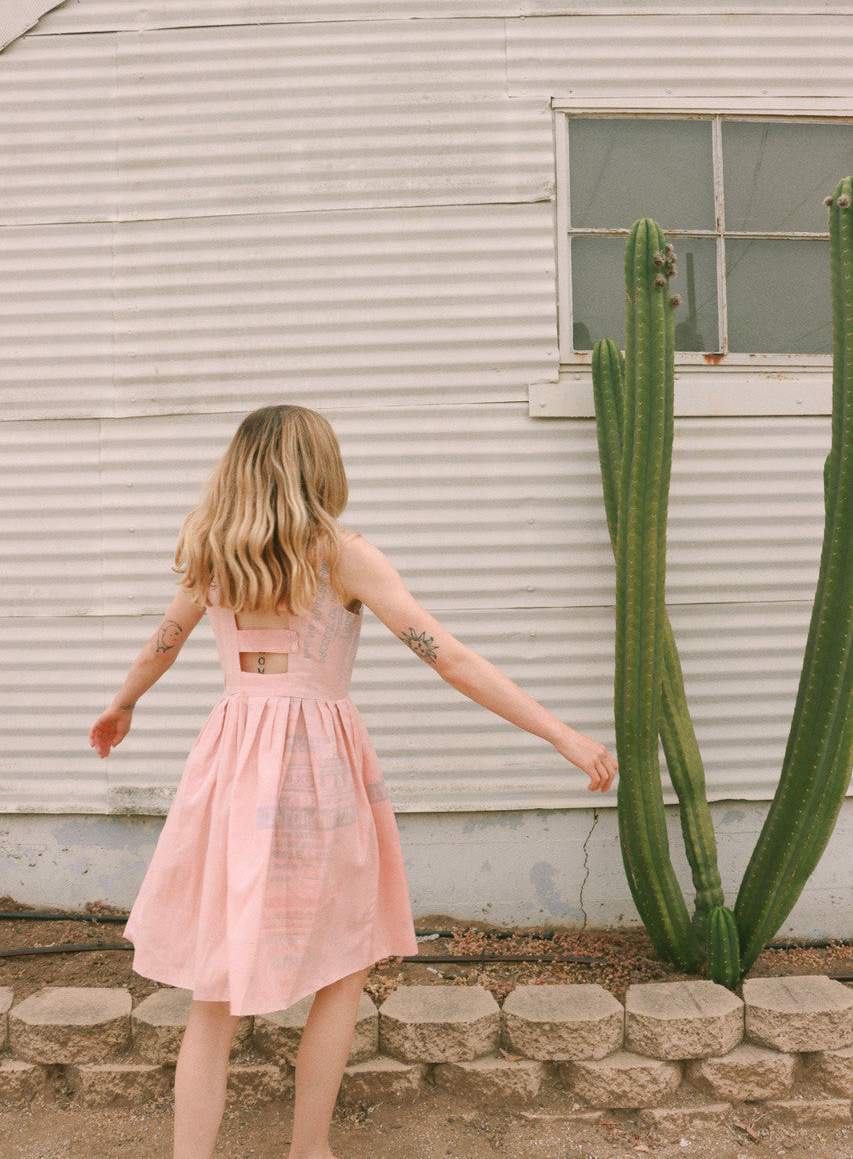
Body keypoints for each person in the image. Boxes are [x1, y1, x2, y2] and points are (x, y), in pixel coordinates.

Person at [88, 404, 618, 1159]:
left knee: (214, 987)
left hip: (232, 764)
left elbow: (162, 644)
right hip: (315, 770)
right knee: (341, 959)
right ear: (322, 466)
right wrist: (561, 733)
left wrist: (122, 705)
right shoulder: (343, 555)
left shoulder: (212, 552)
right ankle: (309, 1149)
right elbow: (451, 658)